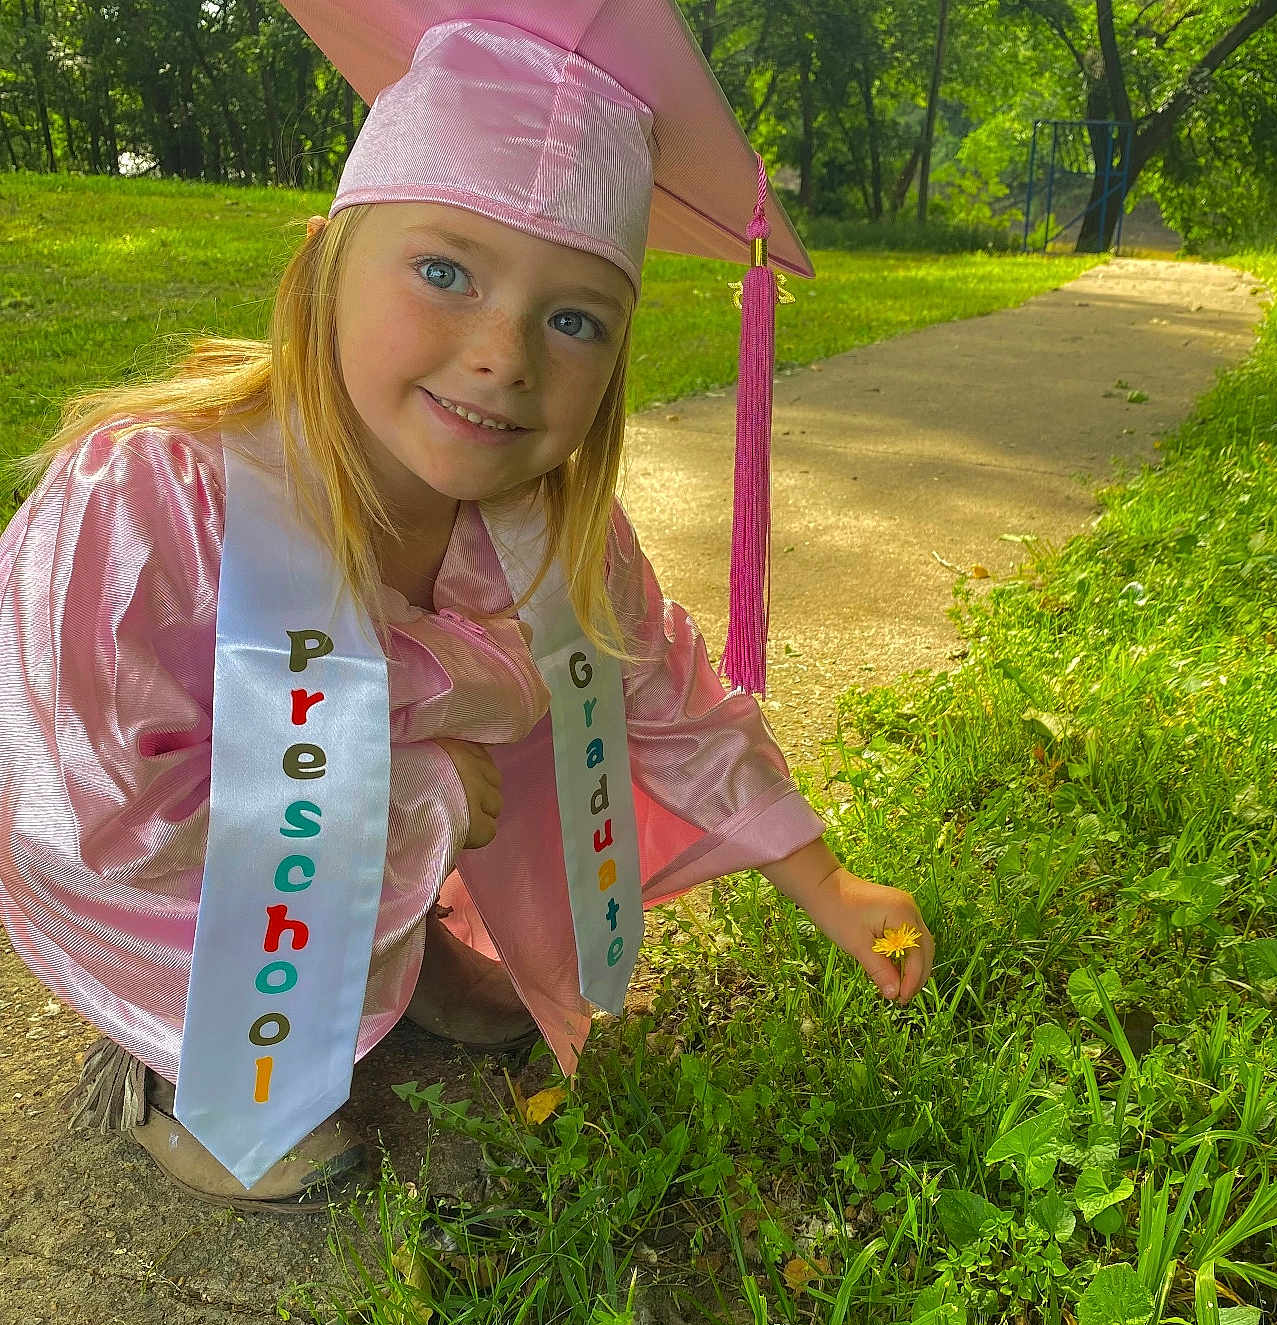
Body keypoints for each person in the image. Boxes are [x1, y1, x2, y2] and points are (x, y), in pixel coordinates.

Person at [0, 0, 935, 1213]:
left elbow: (677, 705)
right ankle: (181, 1072)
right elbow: (88, 807)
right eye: (444, 271)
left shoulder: (553, 537)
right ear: (327, 267)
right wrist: (407, 787)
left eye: (575, 318)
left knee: (536, 702)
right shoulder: (153, 503)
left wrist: (830, 883)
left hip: (364, 824)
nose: (505, 353)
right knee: (405, 768)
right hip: (158, 868)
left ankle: (414, 946)